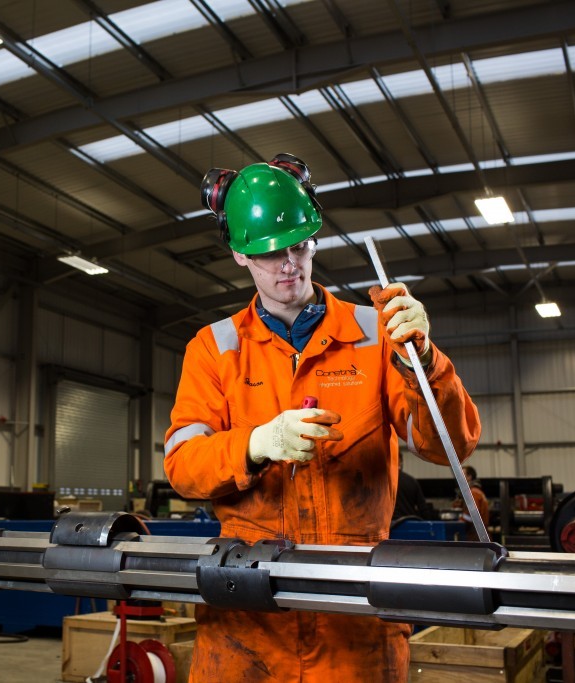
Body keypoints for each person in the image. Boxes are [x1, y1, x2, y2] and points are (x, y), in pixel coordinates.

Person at [163, 153, 482, 682]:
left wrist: (424, 360)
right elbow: (181, 464)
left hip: (353, 614)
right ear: (240, 254)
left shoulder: (376, 332)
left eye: (299, 245)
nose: (289, 263)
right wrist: (257, 443)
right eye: (270, 252)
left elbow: (450, 443)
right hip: (247, 621)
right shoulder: (214, 349)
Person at [393, 453, 434, 523]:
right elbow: (423, 508)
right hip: (410, 524)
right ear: (400, 462)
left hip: (391, 526)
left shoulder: (384, 482)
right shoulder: (411, 481)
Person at [456, 465, 490, 541]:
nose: (459, 478)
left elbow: (472, 516)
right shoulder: (477, 492)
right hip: (480, 536)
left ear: (469, 477)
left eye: (462, 475)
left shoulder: (472, 493)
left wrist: (458, 522)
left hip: (475, 537)